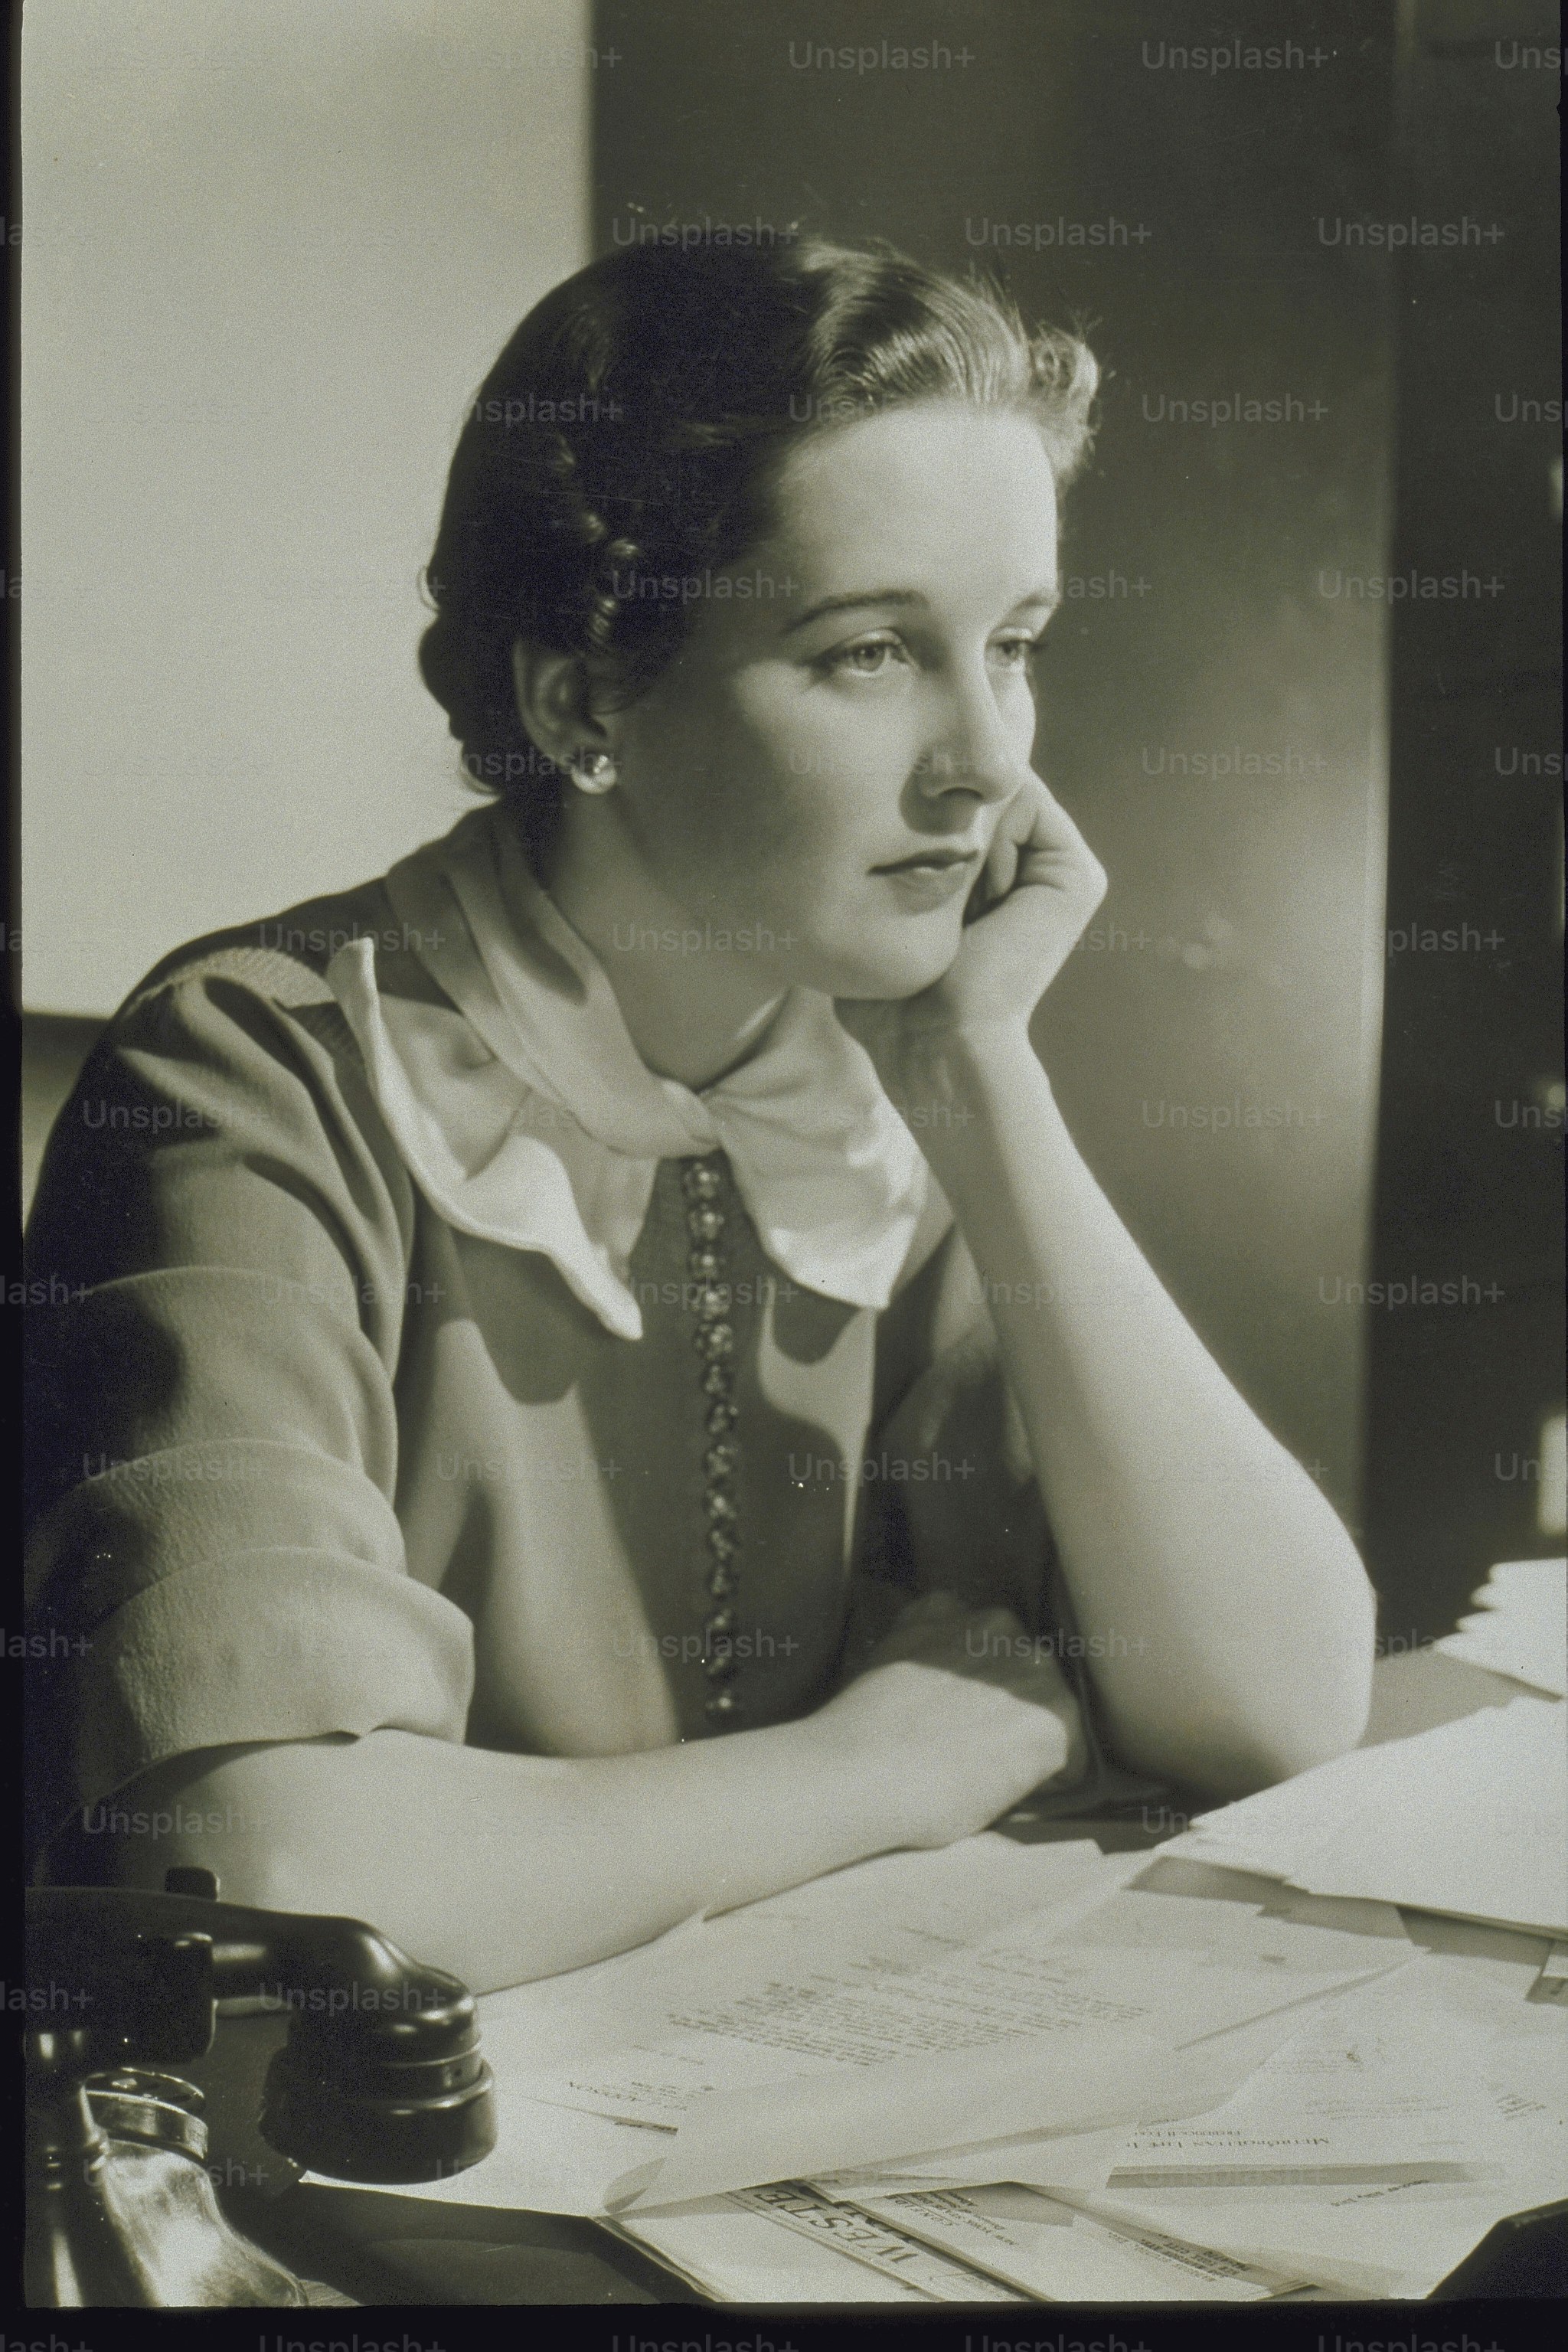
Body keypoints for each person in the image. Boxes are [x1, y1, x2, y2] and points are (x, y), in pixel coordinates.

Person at [24, 240, 1374, 1992]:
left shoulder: (870, 1085)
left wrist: (982, 1076)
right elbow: (276, 1868)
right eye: (873, 651)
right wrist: (883, 1767)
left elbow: (1275, 1702)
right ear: (582, 700)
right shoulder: (256, 1071)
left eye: (1016, 646)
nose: (986, 761)